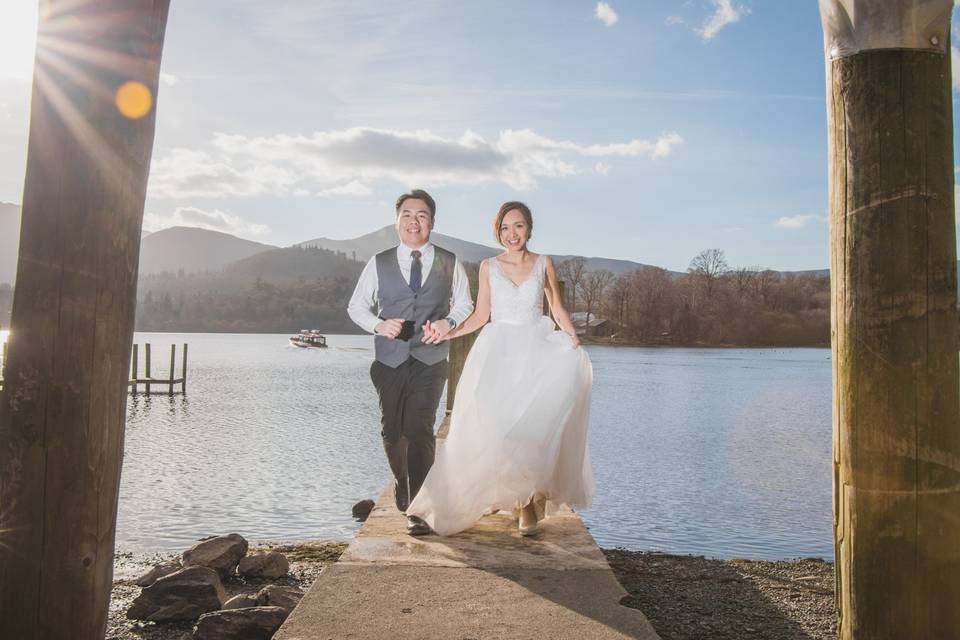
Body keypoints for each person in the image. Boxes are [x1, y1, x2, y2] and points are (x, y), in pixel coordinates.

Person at [407, 201, 593, 536]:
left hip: (536, 351)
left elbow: (557, 308)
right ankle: (489, 495)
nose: (512, 234)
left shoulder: (543, 263)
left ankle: (527, 507)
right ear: (498, 231)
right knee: (494, 427)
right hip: (498, 353)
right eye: (505, 228)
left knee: (531, 430)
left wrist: (571, 335)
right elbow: (480, 315)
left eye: (518, 226)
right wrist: (449, 330)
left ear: (529, 229)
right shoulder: (488, 266)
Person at [347, 189, 474, 536]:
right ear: (397, 220)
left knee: (419, 428)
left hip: (431, 358)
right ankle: (403, 485)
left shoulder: (450, 261)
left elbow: (465, 304)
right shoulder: (379, 262)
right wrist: (378, 324)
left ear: (432, 222)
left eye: (421, 215)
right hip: (388, 360)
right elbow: (356, 307)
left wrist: (449, 322)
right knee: (392, 431)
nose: (413, 221)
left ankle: (418, 507)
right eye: (407, 214)